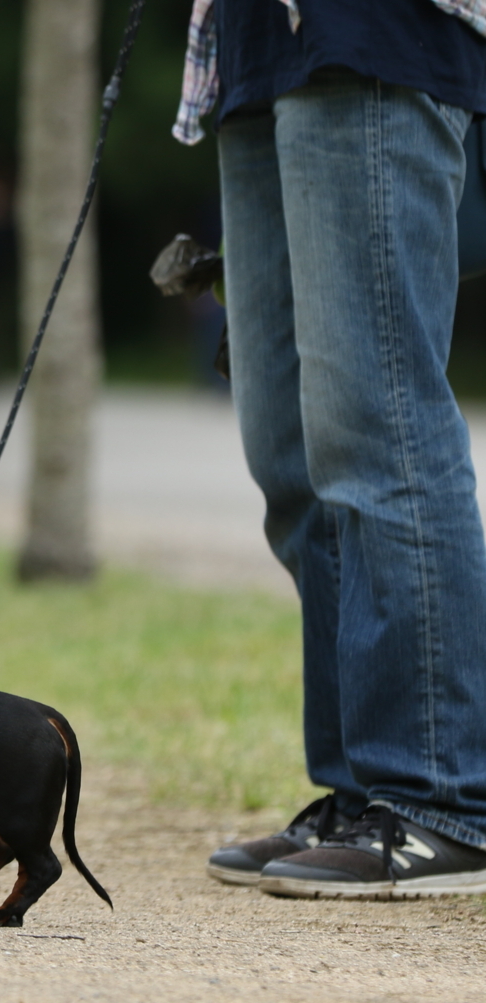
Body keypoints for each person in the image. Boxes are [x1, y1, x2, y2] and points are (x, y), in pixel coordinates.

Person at [178, 0, 486, 898]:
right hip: (253, 49)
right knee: (291, 455)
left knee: (377, 423)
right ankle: (360, 792)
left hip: (373, 27)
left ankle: (440, 798)